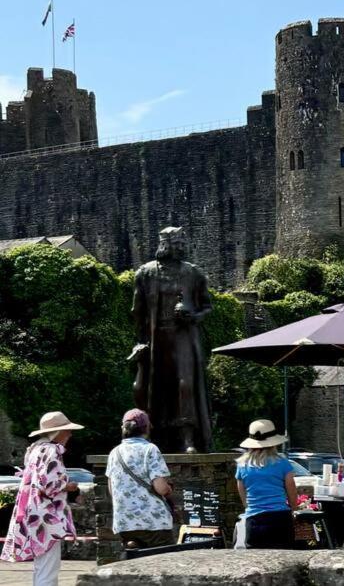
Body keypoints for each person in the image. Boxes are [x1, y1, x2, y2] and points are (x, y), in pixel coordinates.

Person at [131, 226, 215, 454]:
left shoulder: (193, 273)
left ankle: (187, 437)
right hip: (156, 339)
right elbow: (138, 312)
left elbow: (207, 307)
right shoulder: (146, 273)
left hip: (183, 336)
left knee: (185, 384)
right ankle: (154, 435)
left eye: (182, 243)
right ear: (165, 245)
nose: (181, 247)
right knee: (156, 387)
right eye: (176, 243)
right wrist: (140, 341)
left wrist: (193, 315)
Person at [1, 411, 83, 586]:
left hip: (33, 514)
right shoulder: (51, 451)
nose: (70, 434)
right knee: (49, 568)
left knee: (42, 566)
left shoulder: (35, 450)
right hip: (46, 517)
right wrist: (69, 486)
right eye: (67, 430)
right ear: (58, 432)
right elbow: (49, 485)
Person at [107, 409, 175, 550]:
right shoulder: (150, 449)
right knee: (163, 565)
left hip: (125, 524)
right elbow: (161, 488)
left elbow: (112, 490)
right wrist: (169, 489)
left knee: (134, 565)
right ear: (146, 428)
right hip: (153, 523)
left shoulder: (115, 452)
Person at [235, 419, 297, 549]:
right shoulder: (283, 463)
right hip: (280, 519)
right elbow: (292, 492)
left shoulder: (242, 465)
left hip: (254, 521)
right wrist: (294, 510)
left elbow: (243, 496)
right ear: (274, 443)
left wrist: (251, 508)